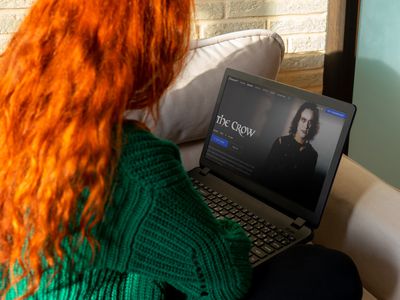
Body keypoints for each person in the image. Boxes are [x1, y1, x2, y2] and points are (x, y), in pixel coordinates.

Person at [0, 0, 362, 299]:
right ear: (142, 58)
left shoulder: (13, 116)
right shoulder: (132, 165)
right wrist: (226, 227)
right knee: (330, 270)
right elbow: (222, 279)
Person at [262, 102, 320, 209]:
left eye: (310, 122)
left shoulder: (312, 155)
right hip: (266, 201)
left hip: (289, 207)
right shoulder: (280, 142)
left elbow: (303, 190)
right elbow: (264, 177)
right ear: (297, 120)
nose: (306, 126)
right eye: (303, 120)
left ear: (313, 126)